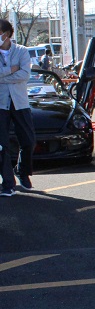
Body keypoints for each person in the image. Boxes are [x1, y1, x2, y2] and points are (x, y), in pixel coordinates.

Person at [0, 18, 35, 196]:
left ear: (6, 34)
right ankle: (8, 184)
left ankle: (22, 170)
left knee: (28, 141)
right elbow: (15, 72)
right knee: (2, 145)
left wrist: (4, 75)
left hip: (20, 102)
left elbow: (24, 74)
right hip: (1, 104)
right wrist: (10, 70)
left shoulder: (21, 51)